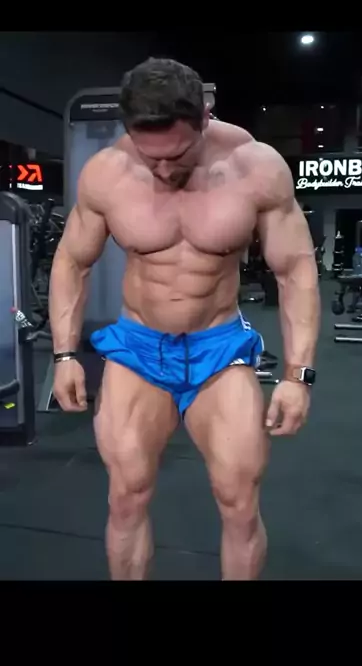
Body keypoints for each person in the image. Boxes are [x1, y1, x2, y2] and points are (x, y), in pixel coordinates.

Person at [49, 57, 320, 580]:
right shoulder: (107, 173)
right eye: (149, 157)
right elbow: (71, 261)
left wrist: (298, 375)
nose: (163, 171)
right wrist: (64, 354)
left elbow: (295, 270)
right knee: (126, 497)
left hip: (218, 346)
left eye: (177, 155)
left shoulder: (256, 168)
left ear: (205, 116)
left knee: (238, 501)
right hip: (138, 347)